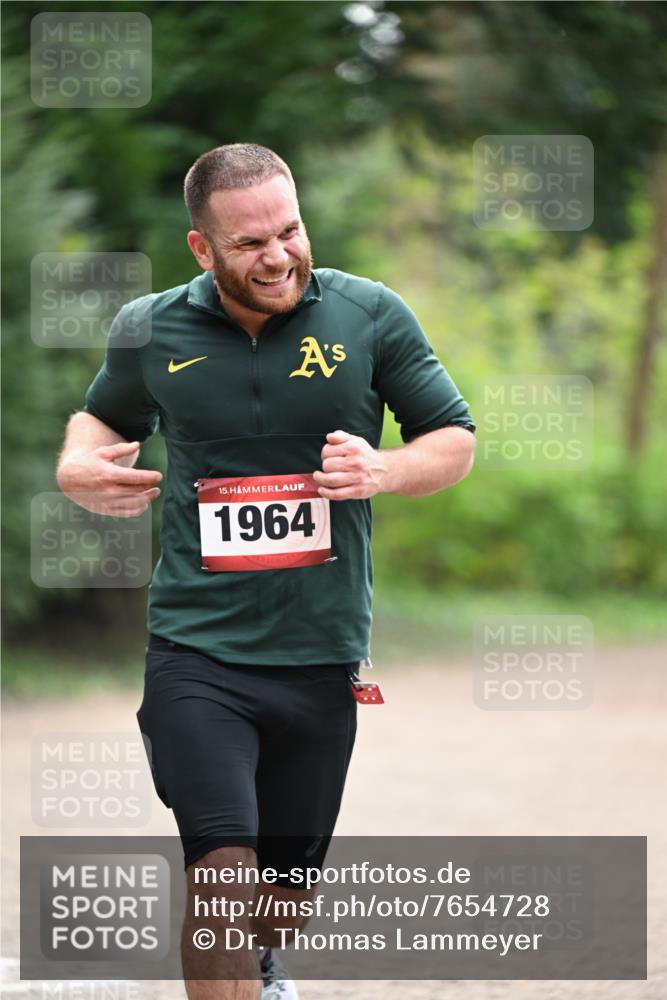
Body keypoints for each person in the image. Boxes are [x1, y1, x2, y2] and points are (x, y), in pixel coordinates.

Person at [56, 143, 476, 1000]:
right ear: (202, 250)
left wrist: (383, 471)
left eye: (289, 231)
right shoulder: (149, 328)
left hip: (319, 649)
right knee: (219, 873)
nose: (278, 255)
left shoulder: (369, 317)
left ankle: (265, 957)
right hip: (195, 649)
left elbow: (453, 439)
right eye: (249, 244)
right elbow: (99, 418)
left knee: (278, 905)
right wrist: (77, 468)